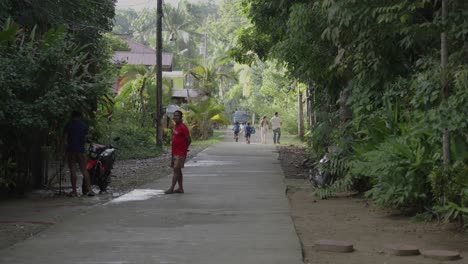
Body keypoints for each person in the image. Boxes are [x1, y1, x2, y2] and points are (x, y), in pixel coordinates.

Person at [64, 111, 94, 197]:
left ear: (72, 116)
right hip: (81, 151)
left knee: (73, 170)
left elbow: (65, 140)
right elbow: (86, 138)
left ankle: (74, 192)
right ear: (80, 116)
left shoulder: (68, 125)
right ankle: (90, 190)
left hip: (71, 151)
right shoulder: (84, 126)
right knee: (84, 170)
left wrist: (64, 151)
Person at [165, 110, 191, 194]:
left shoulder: (183, 127)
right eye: (174, 116)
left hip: (180, 152)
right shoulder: (175, 126)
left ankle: (171, 188)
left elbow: (189, 139)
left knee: (176, 169)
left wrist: (185, 148)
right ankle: (180, 188)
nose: (175, 117)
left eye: (177, 116)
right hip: (174, 151)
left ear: (181, 117)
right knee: (178, 170)